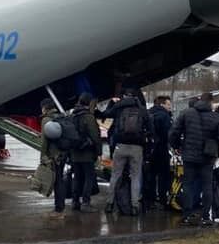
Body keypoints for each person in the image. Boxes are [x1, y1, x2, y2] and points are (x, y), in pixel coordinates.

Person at [169, 92, 219, 226]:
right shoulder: (216, 117)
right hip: (208, 157)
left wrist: (176, 146)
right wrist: (217, 153)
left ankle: (187, 214)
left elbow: (174, 131)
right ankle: (206, 216)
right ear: (211, 102)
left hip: (189, 155)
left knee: (188, 184)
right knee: (207, 186)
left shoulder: (186, 113)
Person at [103, 87, 153, 215]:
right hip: (137, 147)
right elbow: (151, 130)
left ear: (124, 96)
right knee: (136, 176)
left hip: (121, 146)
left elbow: (105, 114)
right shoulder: (142, 110)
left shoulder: (119, 107)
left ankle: (109, 204)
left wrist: (111, 103)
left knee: (115, 175)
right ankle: (135, 206)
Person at [68, 93, 101, 212]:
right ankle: (86, 203)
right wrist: (98, 151)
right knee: (89, 177)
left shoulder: (72, 115)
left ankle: (75, 202)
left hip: (74, 153)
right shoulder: (88, 117)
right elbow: (95, 135)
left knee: (77, 177)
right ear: (89, 103)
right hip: (87, 153)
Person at [145, 95, 173, 210]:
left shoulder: (148, 113)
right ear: (162, 104)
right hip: (161, 149)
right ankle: (162, 199)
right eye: (168, 104)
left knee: (150, 175)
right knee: (163, 176)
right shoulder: (164, 116)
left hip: (149, 149)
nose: (170, 107)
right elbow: (168, 134)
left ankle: (149, 200)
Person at [40, 98, 67, 216]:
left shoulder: (46, 119)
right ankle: (60, 206)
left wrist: (42, 156)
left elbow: (44, 141)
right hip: (63, 153)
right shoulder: (61, 116)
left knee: (57, 181)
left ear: (45, 108)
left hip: (54, 155)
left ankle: (59, 208)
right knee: (59, 179)